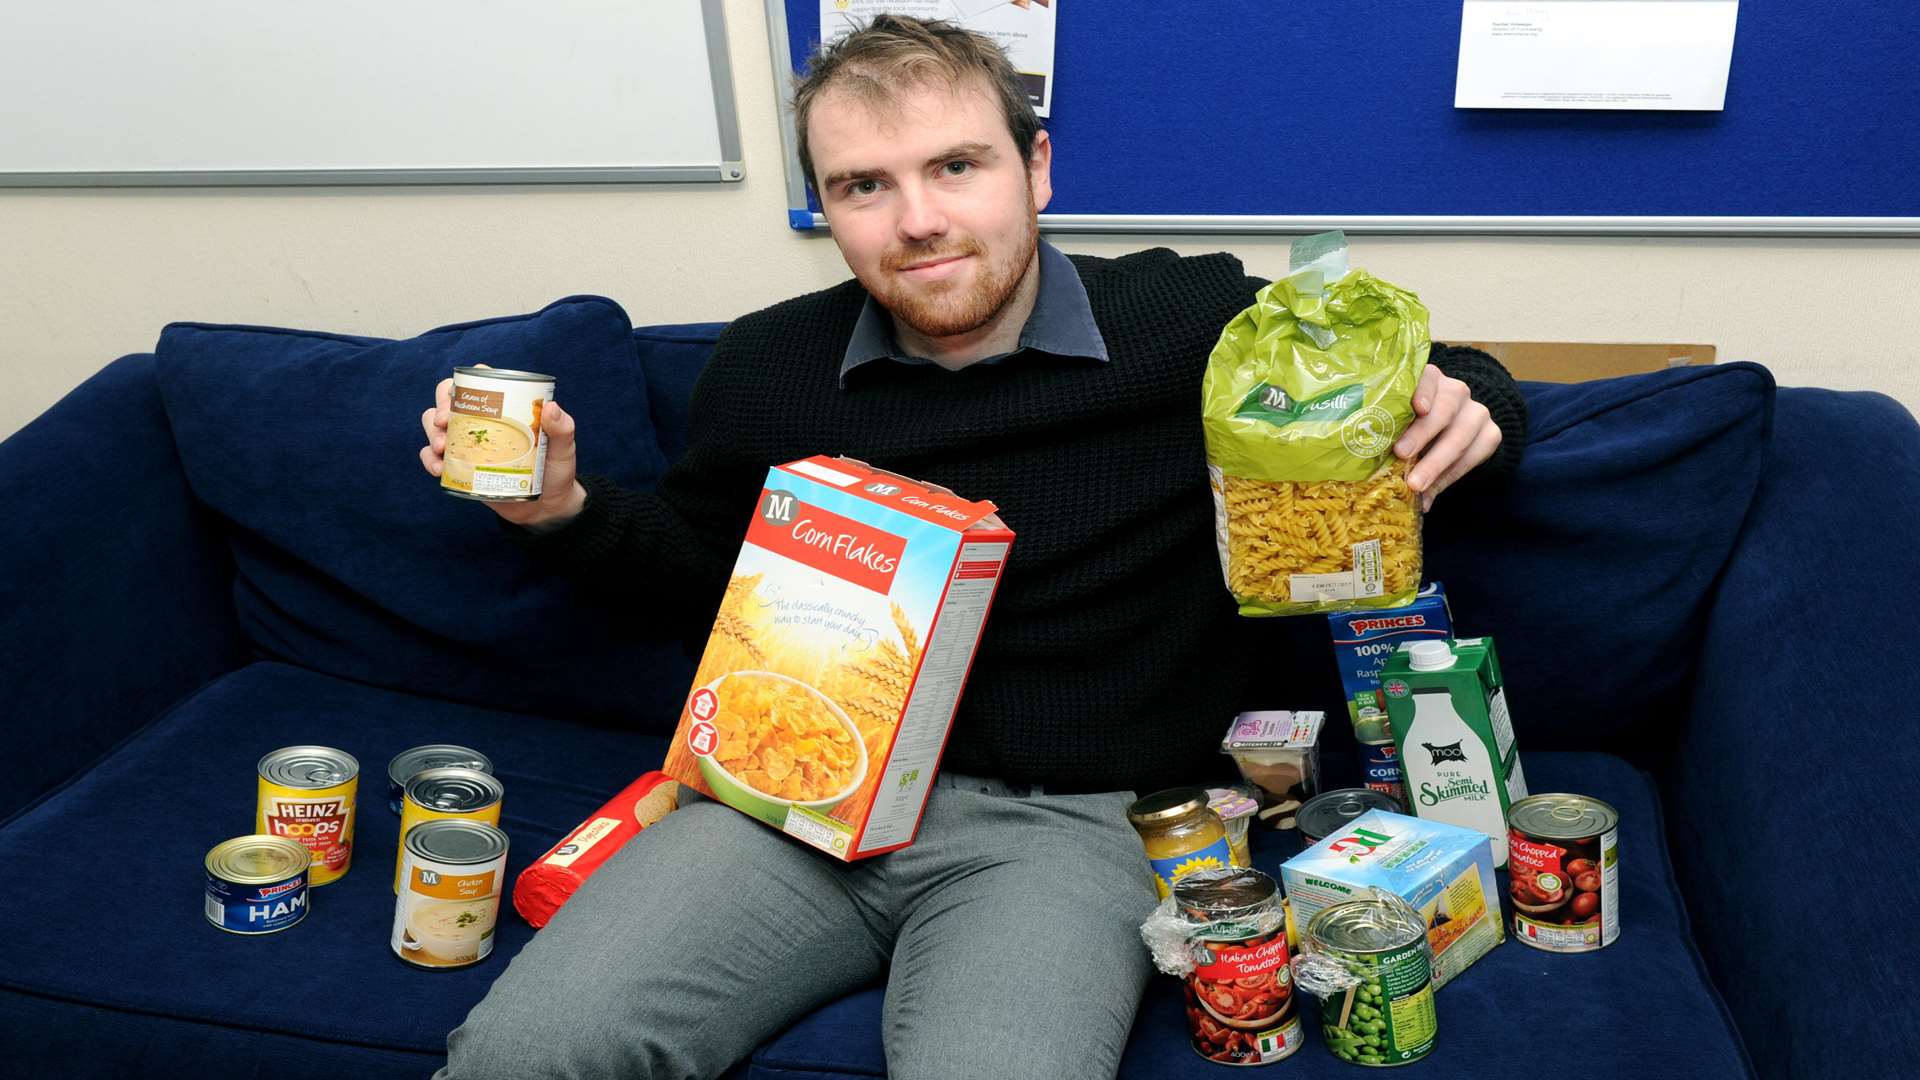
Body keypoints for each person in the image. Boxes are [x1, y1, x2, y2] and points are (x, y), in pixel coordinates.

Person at [420, 16, 1524, 1080]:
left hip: (1073, 830)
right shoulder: (764, 367)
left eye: (957, 167)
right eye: (865, 185)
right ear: (826, 207)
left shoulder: (1193, 322)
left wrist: (1473, 402)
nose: (917, 220)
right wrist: (559, 508)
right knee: (527, 1054)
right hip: (793, 809)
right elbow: (694, 568)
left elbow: (1440, 374)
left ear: (1036, 168)